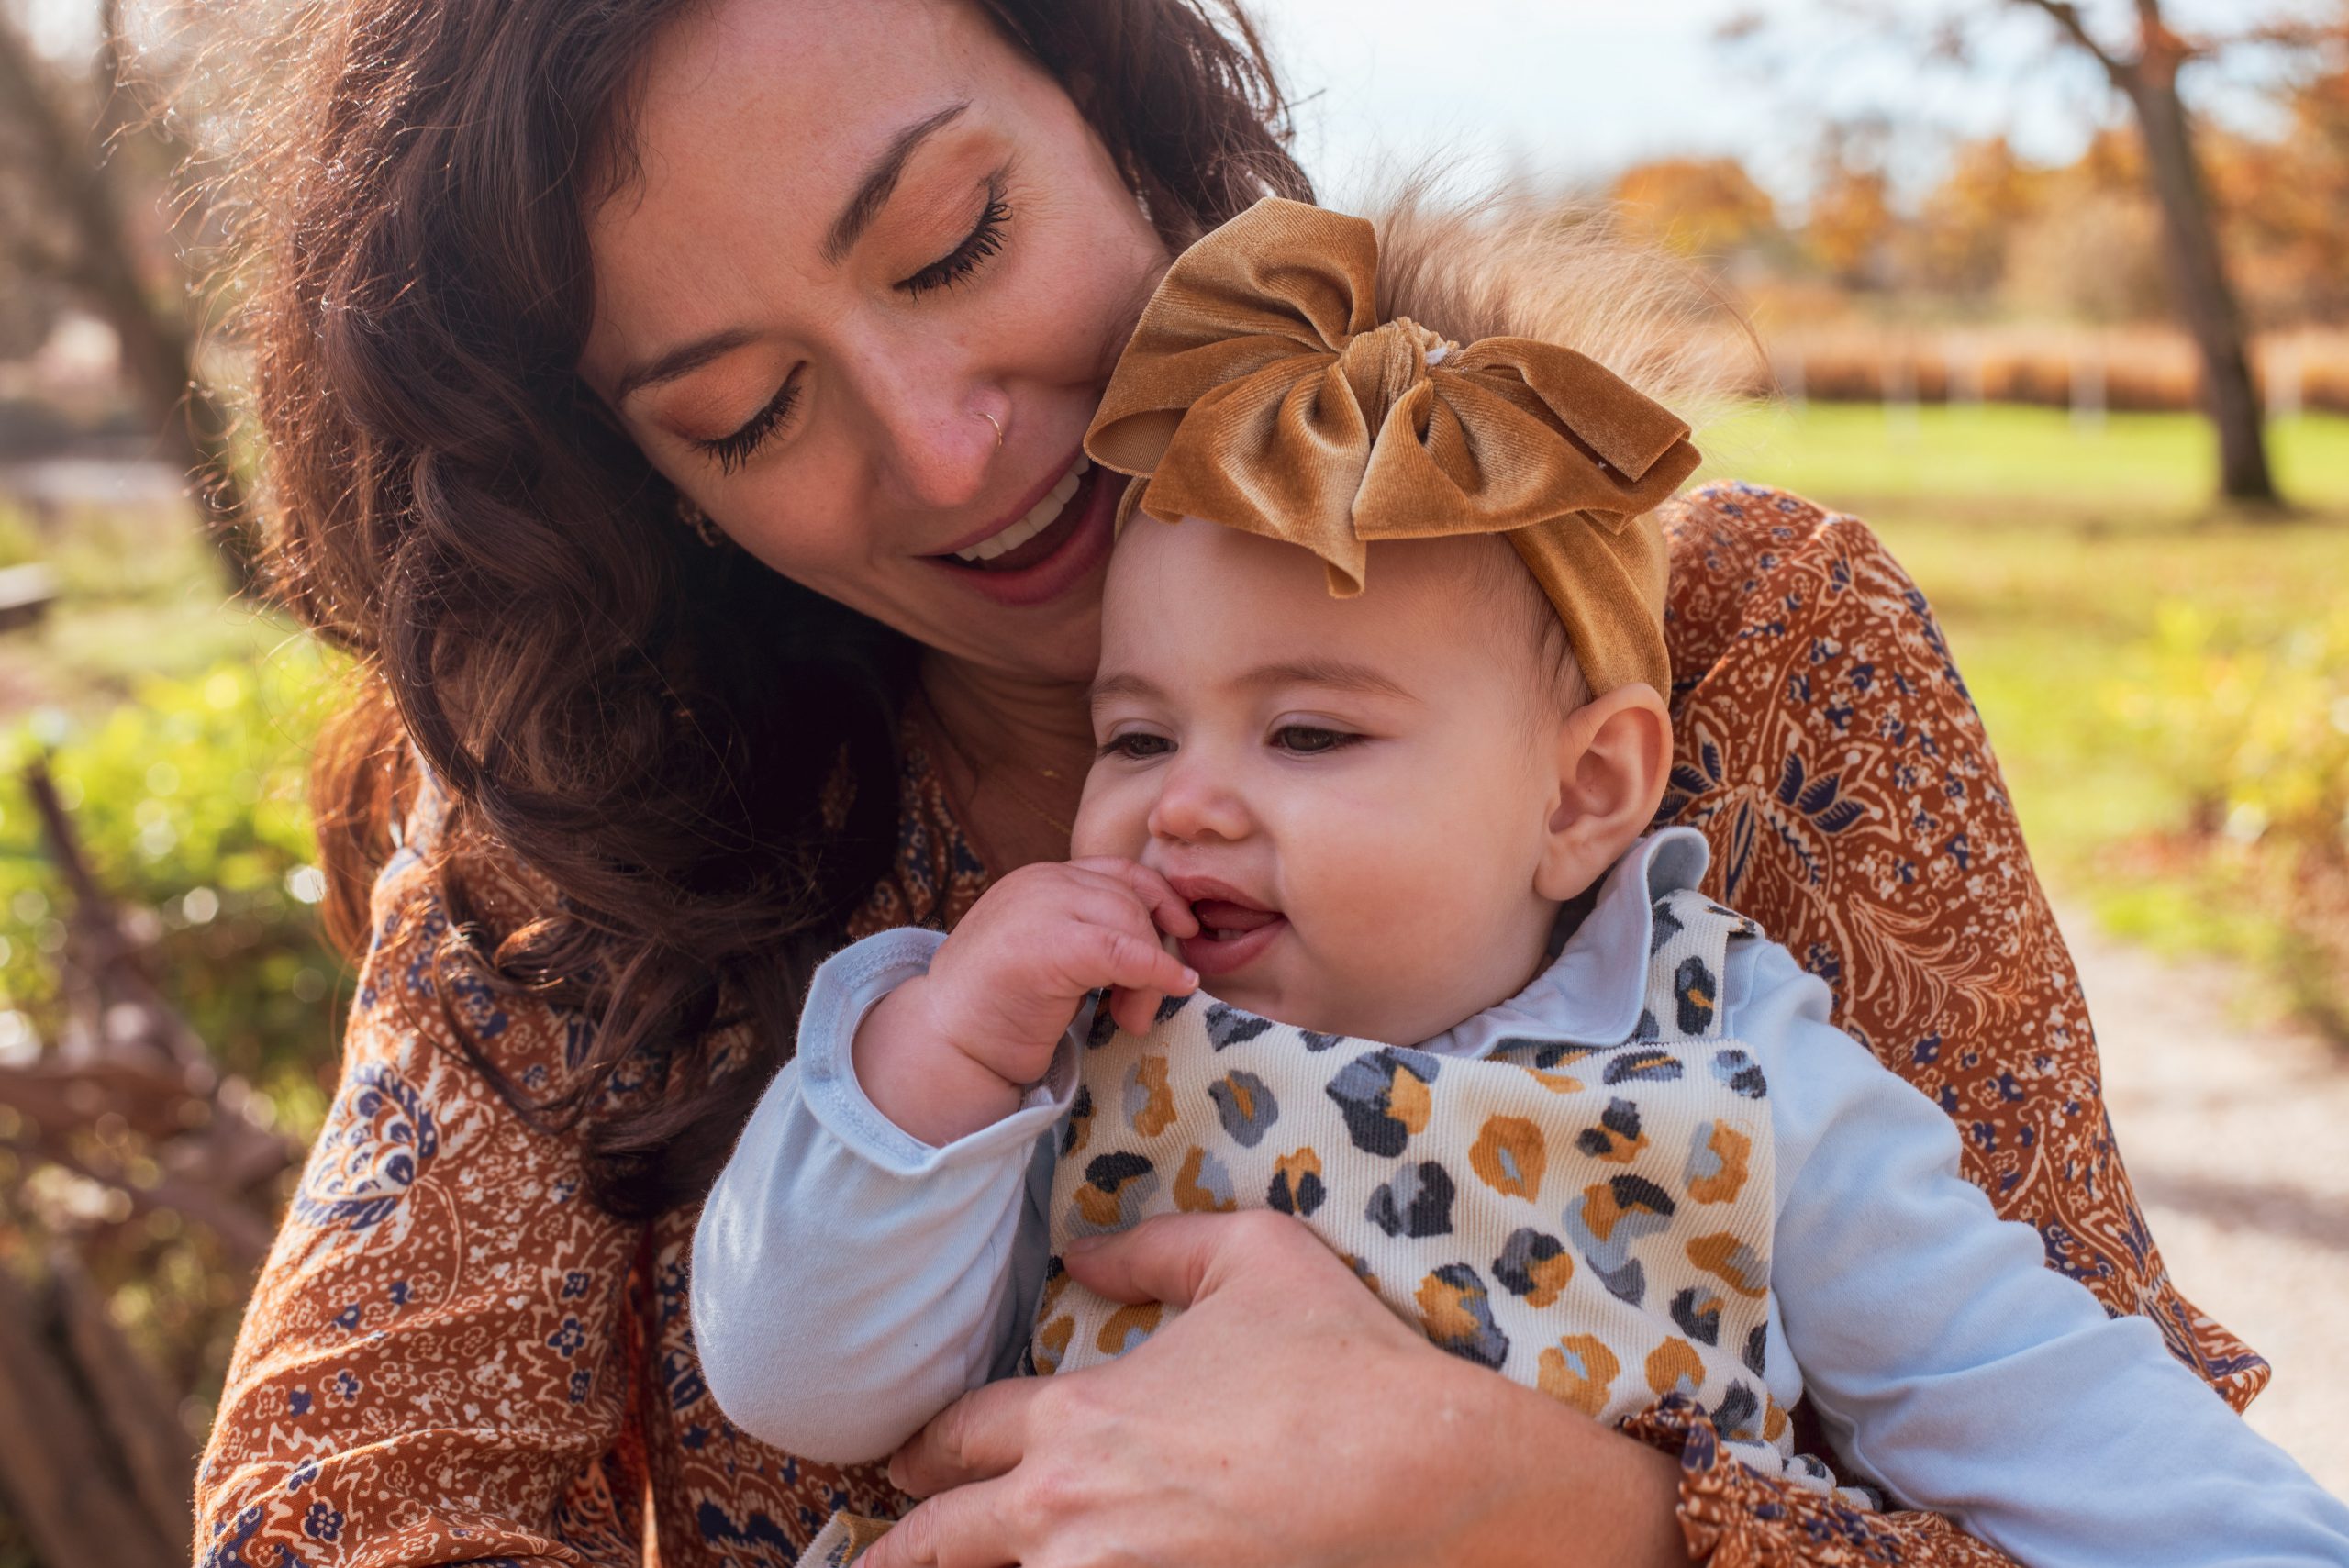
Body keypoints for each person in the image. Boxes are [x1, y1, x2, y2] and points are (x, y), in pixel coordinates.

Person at [195, 3, 2272, 1565]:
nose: (939, 447)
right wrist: (921, 1084)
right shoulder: (619, 849)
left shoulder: (1714, 677)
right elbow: (344, 1512)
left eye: (952, 242)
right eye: (746, 412)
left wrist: (1552, 1514)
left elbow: (2106, 1477)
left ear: (1113, 109)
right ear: (640, 481)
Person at [690, 197, 2349, 1568]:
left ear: (1584, 792)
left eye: (1313, 732)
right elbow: (799, 1385)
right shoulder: (1043, 1038)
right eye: (1132, 734)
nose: (1182, 805)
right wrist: (938, 1064)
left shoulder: (1731, 1064)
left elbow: (2060, 1424)